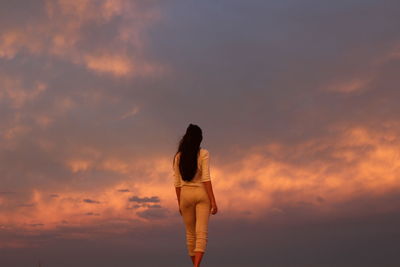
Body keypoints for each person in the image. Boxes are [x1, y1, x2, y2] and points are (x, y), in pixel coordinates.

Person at [173, 123, 218, 267]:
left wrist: (179, 202)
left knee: (190, 235)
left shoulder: (178, 157)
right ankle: (196, 266)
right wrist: (213, 201)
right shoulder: (204, 153)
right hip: (201, 194)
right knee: (201, 234)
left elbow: (177, 183)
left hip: (185, 195)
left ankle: (195, 266)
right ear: (199, 139)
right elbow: (206, 178)